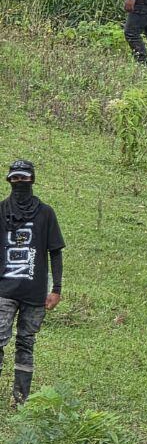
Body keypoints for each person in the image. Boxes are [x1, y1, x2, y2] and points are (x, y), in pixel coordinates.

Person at [0, 160, 65, 406]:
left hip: (35, 292)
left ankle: (21, 398)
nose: (19, 183)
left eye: (24, 179)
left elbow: (55, 252)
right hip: (4, 289)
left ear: (32, 180)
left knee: (26, 343)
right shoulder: (1, 210)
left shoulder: (45, 213)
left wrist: (56, 289)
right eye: (15, 179)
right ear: (9, 181)